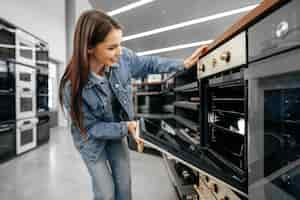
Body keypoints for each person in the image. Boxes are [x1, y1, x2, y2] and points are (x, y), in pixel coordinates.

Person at [59, 9, 207, 200]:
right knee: (106, 192)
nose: (119, 52)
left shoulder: (123, 58)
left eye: (120, 44)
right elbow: (92, 128)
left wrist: (182, 64)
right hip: (91, 140)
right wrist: (127, 126)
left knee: (124, 186)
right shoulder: (72, 86)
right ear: (89, 47)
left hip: (118, 130)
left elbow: (149, 63)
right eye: (111, 47)